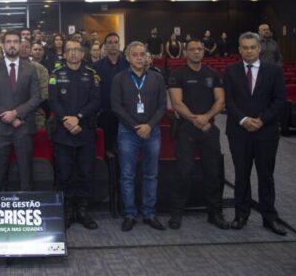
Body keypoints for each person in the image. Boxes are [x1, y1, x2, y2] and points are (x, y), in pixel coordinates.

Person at [223, 32, 287, 236]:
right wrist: (243, 120)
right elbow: (228, 100)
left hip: (265, 132)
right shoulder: (231, 71)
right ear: (239, 50)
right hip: (239, 131)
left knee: (266, 175)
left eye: (252, 47)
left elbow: (279, 100)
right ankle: (241, 215)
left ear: (259, 48)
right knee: (241, 175)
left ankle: (269, 217)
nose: (249, 51)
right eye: (245, 47)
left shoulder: (274, 71)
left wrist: (261, 120)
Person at [167, 39, 229, 230]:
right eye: (192, 49)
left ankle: (215, 213)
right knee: (183, 172)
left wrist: (206, 118)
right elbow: (177, 103)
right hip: (186, 129)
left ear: (203, 52)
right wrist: (196, 120)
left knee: (213, 172)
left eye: (199, 49)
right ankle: (176, 213)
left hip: (209, 128)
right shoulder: (177, 74)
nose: (196, 52)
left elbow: (220, 101)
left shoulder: (213, 73)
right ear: (185, 53)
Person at [111, 41, 167, 232]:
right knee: (127, 175)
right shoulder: (119, 78)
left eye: (142, 54)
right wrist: (136, 127)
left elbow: (162, 105)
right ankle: (129, 214)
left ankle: (149, 213)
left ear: (147, 57)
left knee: (151, 174)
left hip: (152, 131)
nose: (139, 58)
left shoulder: (157, 78)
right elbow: (116, 106)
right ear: (127, 58)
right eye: (135, 54)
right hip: (128, 132)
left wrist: (149, 125)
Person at [48, 40, 100, 229]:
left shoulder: (92, 75)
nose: (73, 53)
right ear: (64, 54)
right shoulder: (55, 75)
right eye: (69, 50)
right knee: (64, 175)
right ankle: (67, 210)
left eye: (76, 50)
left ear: (83, 53)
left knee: (85, 173)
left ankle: (83, 210)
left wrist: (78, 118)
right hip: (63, 133)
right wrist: (67, 120)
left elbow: (96, 101)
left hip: (85, 131)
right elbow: (53, 101)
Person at [0, 31, 42, 191]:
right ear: (3, 45)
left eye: (15, 41)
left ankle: (26, 203)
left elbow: (36, 97)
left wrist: (15, 113)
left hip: (23, 127)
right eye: (8, 41)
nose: (12, 45)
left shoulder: (30, 69)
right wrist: (7, 116)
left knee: (26, 175)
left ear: (20, 44)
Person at [92, 32, 129, 153]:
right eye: (110, 42)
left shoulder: (128, 65)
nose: (113, 45)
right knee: (106, 148)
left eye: (116, 42)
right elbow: (94, 90)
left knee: (124, 148)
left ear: (119, 45)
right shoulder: (96, 66)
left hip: (125, 114)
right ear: (105, 46)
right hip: (105, 113)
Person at [20, 38, 49, 129]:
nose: (24, 49)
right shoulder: (7, 68)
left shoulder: (41, 69)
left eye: (27, 47)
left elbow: (44, 93)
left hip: (35, 112)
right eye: (21, 46)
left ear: (30, 50)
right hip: (11, 112)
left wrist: (27, 106)